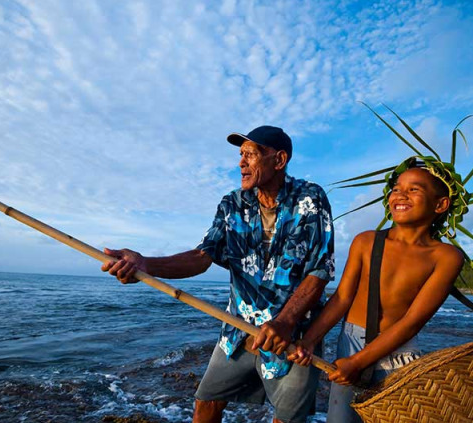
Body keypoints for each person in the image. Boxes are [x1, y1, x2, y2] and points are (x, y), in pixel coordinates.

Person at [102, 125, 335, 423]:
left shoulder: (310, 198)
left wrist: (286, 321)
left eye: (251, 154)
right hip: (238, 329)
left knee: (288, 418)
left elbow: (319, 270)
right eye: (241, 155)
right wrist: (145, 264)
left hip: (292, 337)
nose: (241, 162)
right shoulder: (231, 204)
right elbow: (203, 256)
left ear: (279, 160)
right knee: (206, 403)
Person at [288, 159, 464, 423]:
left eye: (415, 189)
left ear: (440, 204)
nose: (401, 194)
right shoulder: (366, 242)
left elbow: (412, 322)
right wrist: (310, 340)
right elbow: (342, 298)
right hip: (352, 342)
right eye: (396, 188)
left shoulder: (446, 256)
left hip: (401, 350)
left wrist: (359, 363)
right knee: (341, 420)